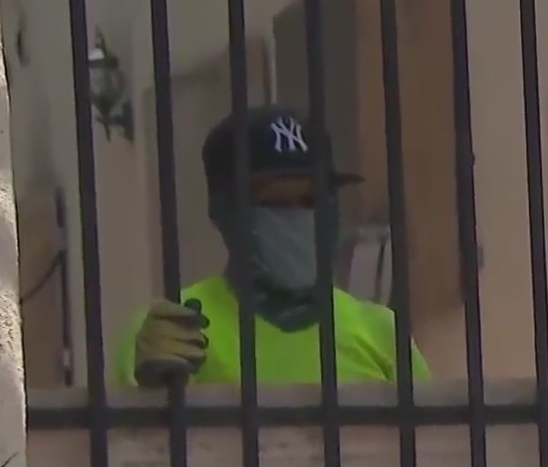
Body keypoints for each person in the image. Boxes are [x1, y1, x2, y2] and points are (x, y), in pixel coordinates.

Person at [114, 105, 430, 387]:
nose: (299, 220)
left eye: (312, 200)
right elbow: (117, 447)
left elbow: (432, 446)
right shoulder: (173, 330)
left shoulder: (382, 334)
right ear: (225, 213)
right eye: (274, 204)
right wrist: (151, 397)